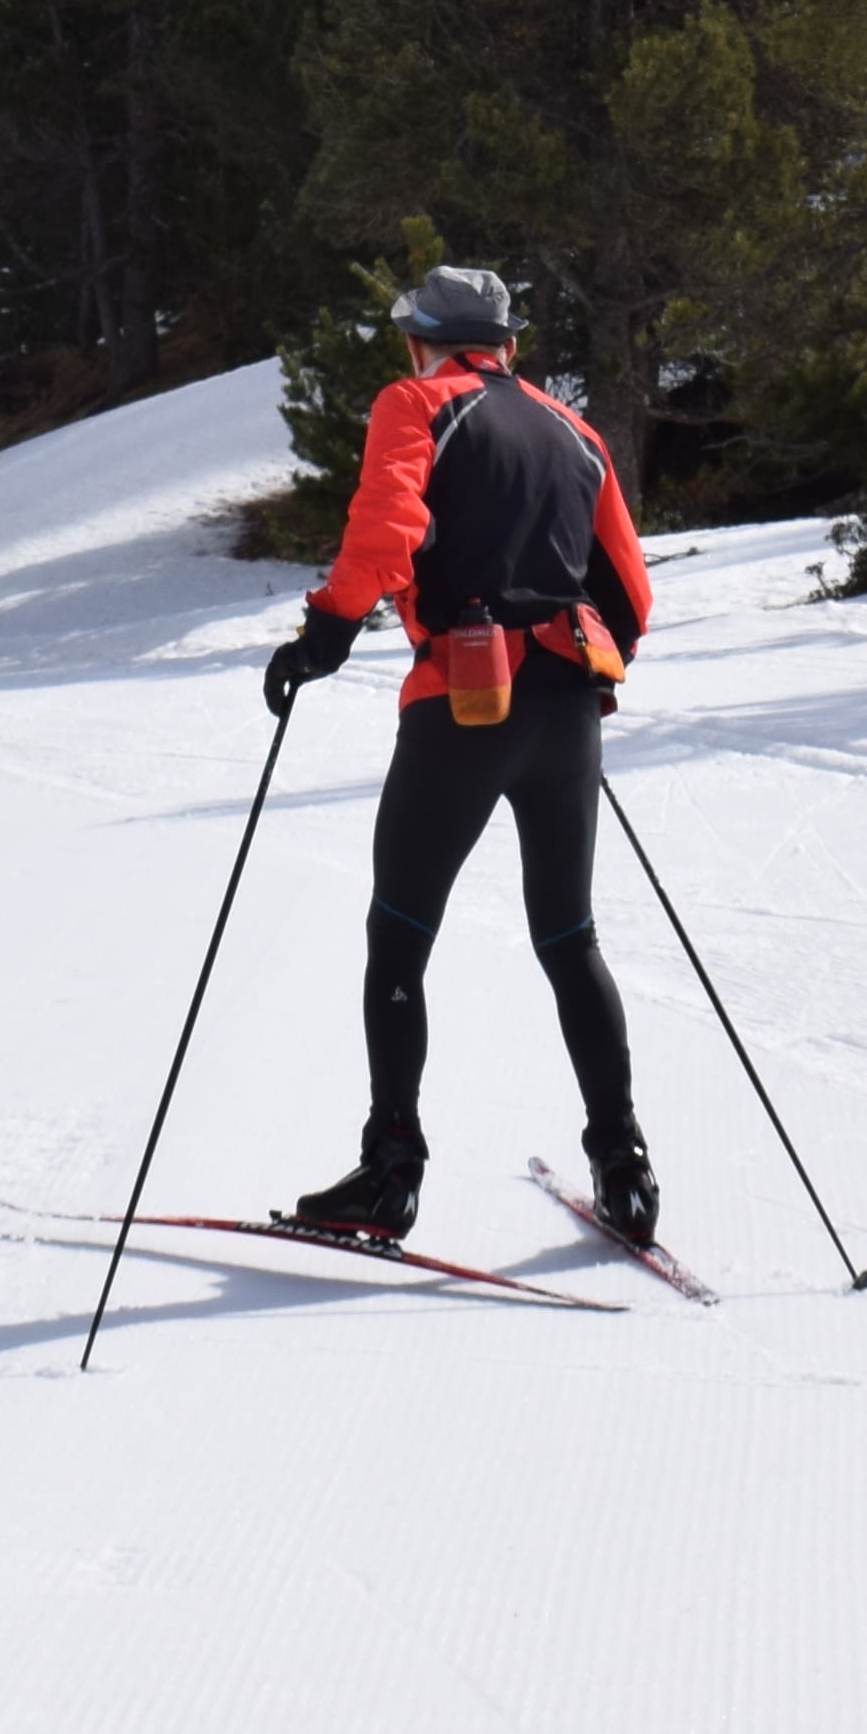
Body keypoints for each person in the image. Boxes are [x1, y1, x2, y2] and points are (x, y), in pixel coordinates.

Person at [256, 264, 660, 1243]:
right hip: (569, 707)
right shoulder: (578, 431)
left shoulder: (416, 402)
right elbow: (631, 593)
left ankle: (391, 1169)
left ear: (420, 340)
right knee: (570, 939)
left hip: (463, 703)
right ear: (508, 342)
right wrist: (575, 667)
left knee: (400, 933)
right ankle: (625, 1169)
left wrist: (326, 630)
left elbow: (389, 528)